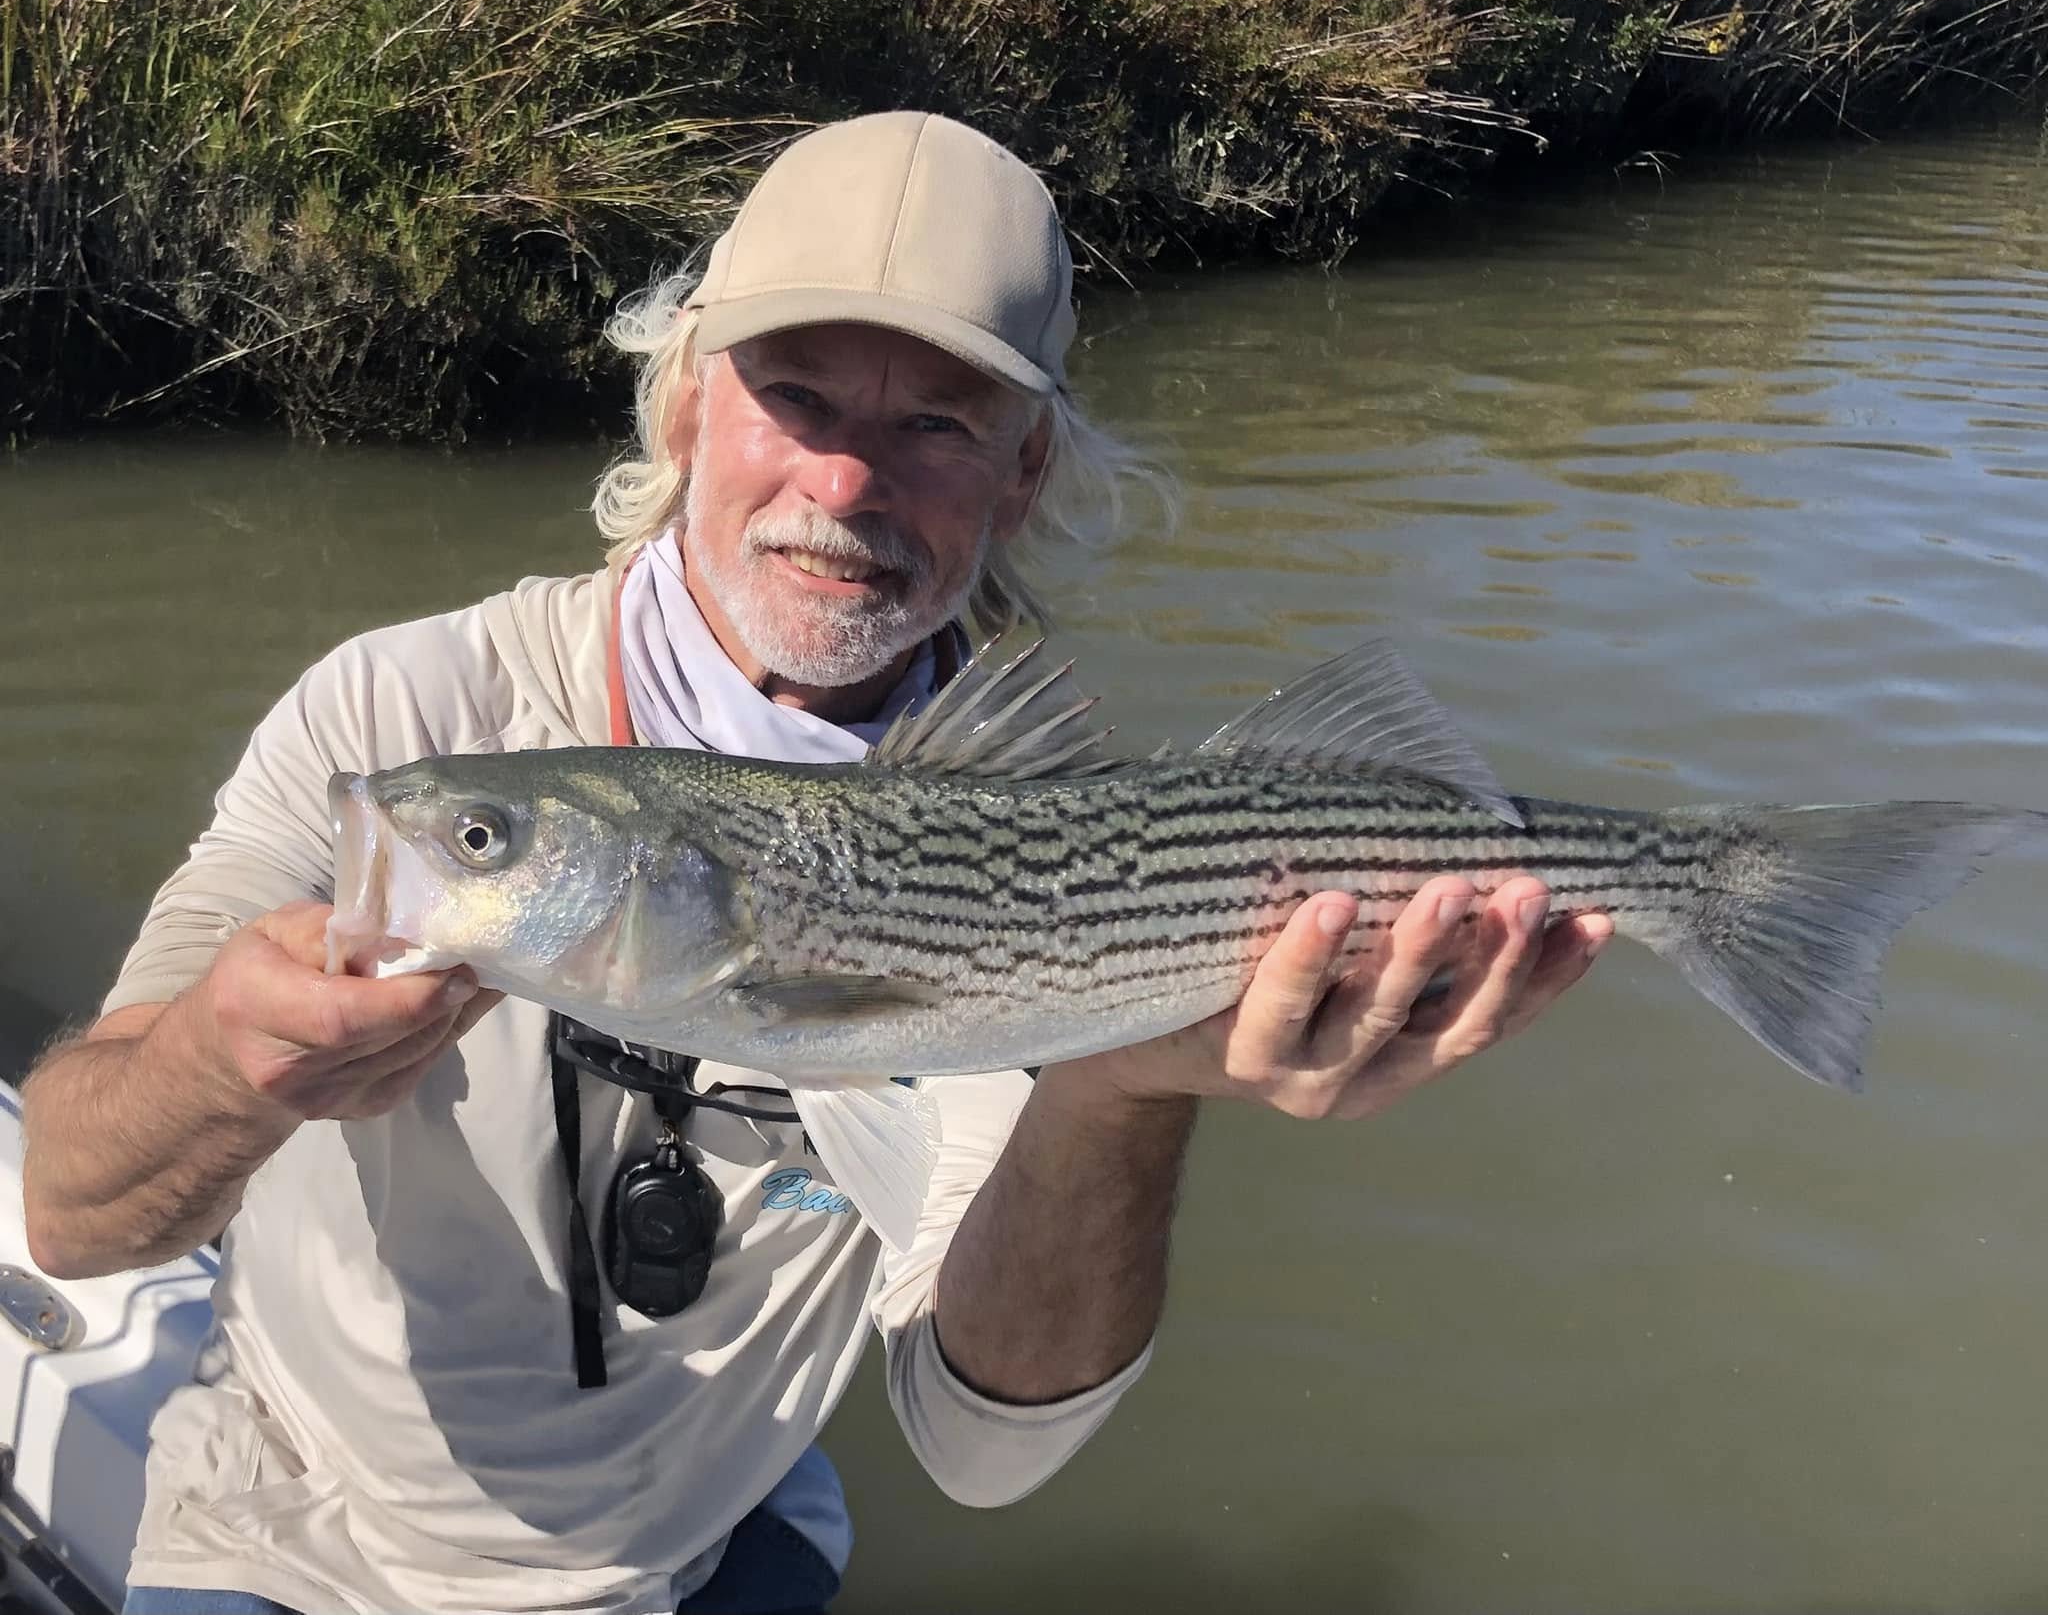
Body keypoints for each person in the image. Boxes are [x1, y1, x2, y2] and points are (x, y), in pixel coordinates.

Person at [20, 110, 1611, 1615]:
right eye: (798, 395)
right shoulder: (411, 715)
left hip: (713, 1549)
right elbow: (74, 1212)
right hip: (298, 1537)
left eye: (935, 422)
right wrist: (228, 1066)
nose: (847, 484)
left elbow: (986, 1450)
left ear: (1027, 473)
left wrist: (1120, 1084)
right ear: (688, 397)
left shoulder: (1036, 860)